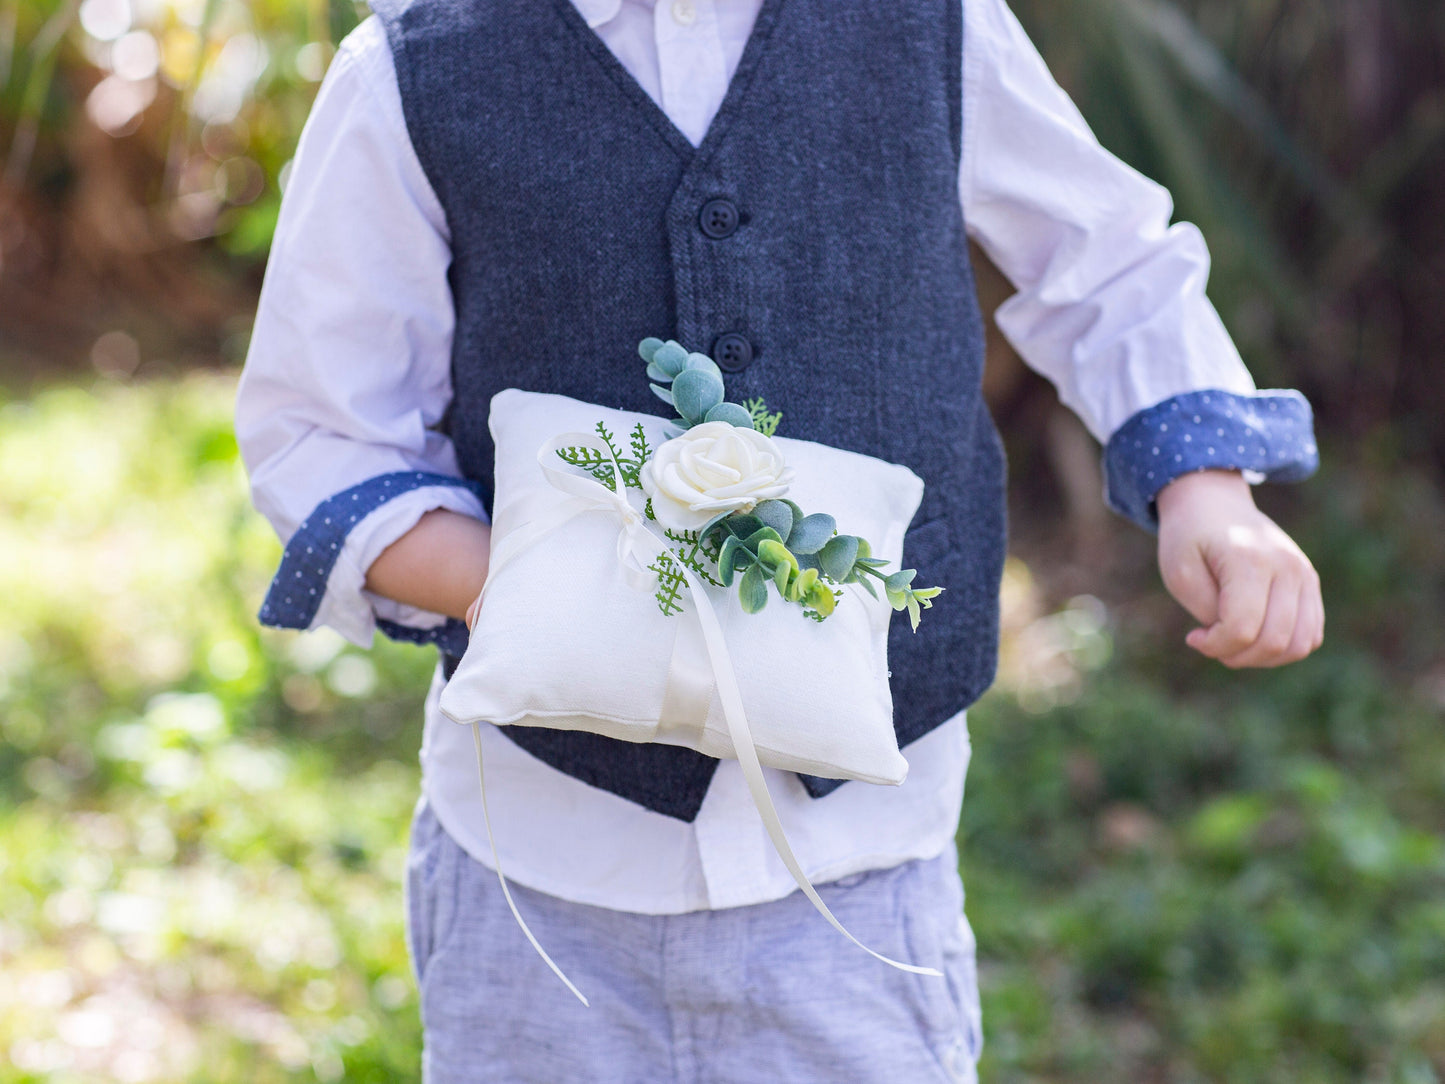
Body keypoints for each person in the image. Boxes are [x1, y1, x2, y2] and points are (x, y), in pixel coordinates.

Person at [234, 0, 1323, 1079]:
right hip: (540, 879)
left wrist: (1204, 488)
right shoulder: (417, 64)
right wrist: (519, 590)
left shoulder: (932, 23)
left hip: (859, 876)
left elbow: (1104, 262)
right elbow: (320, 427)